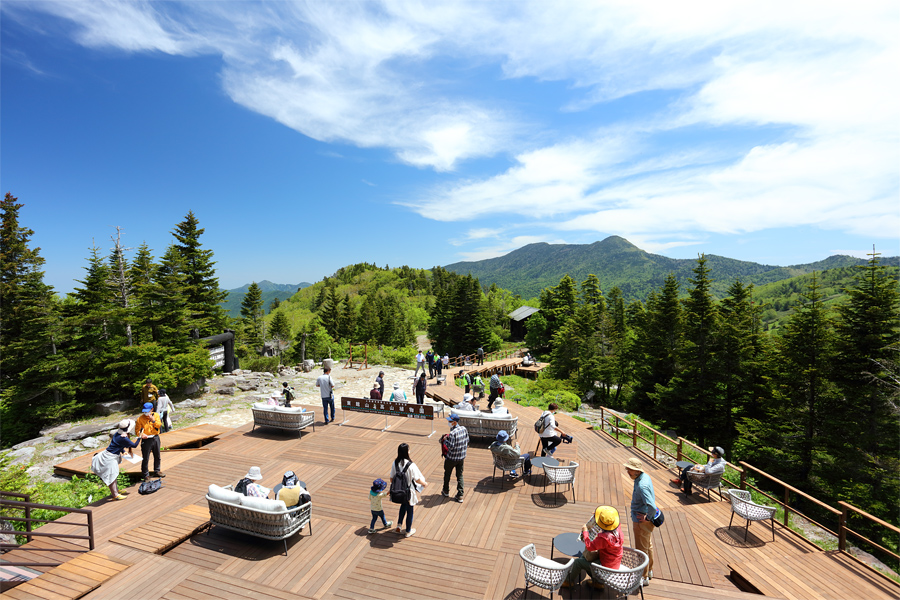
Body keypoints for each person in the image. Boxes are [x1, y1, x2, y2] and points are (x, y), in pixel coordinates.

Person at [565, 505, 624, 588]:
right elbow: (607, 520)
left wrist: (585, 532)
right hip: (613, 561)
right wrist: (597, 516)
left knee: (578, 562)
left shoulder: (605, 538)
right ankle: (598, 582)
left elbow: (589, 546)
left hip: (606, 567)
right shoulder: (617, 528)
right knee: (584, 557)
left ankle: (568, 581)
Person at [625, 457, 657, 587]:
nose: (627, 471)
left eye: (630, 469)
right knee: (647, 546)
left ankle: (643, 578)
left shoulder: (642, 486)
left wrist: (647, 518)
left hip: (641, 521)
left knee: (641, 550)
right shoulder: (644, 477)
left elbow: (652, 506)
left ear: (637, 471)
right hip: (645, 521)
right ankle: (649, 570)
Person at [91, 419, 141, 500]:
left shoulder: (117, 434)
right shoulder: (123, 438)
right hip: (109, 458)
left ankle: (116, 490)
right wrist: (139, 437)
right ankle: (115, 495)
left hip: (109, 455)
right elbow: (134, 445)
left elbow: (117, 444)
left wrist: (123, 451)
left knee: (113, 474)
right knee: (111, 476)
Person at [390, 443, 427, 537]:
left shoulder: (395, 463)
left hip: (399, 491)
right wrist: (424, 484)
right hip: (409, 492)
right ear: (407, 452)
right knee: (410, 510)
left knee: (403, 506)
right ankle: (408, 530)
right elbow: (417, 479)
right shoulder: (411, 465)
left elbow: (391, 479)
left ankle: (399, 525)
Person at [441, 414, 469, 503]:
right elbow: (467, 440)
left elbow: (451, 446)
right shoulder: (464, 429)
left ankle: (446, 490)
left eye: (450, 421)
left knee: (447, 474)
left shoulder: (453, 433)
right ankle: (460, 495)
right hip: (461, 457)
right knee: (460, 476)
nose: (449, 423)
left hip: (451, 458)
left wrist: (445, 440)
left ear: (455, 422)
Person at [135, 402, 164, 481]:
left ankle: (157, 471)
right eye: (144, 411)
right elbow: (137, 431)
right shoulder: (140, 419)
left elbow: (159, 425)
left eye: (147, 411)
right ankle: (145, 475)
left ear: (152, 409)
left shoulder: (156, 415)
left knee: (157, 455)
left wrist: (153, 421)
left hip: (155, 437)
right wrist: (142, 435)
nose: (146, 413)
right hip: (146, 440)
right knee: (146, 457)